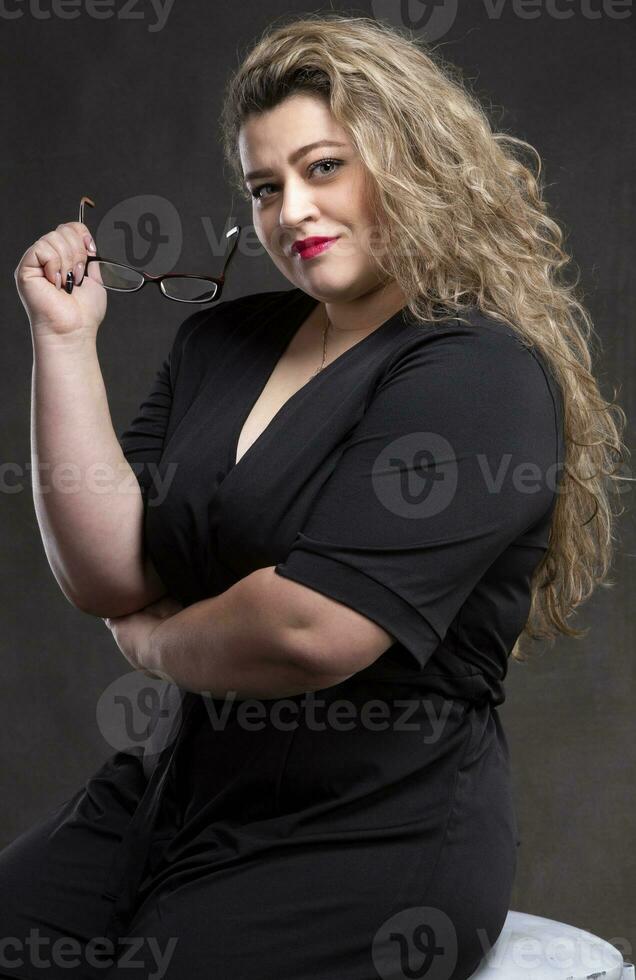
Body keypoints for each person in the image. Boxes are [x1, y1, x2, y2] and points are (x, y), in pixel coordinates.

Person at [7, 12, 628, 980]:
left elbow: (311, 627)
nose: (292, 209)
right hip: (180, 793)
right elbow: (109, 564)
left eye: (324, 167)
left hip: (373, 832)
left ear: (407, 160)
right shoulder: (222, 343)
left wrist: (156, 642)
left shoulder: (477, 372)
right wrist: (63, 340)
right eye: (265, 187)